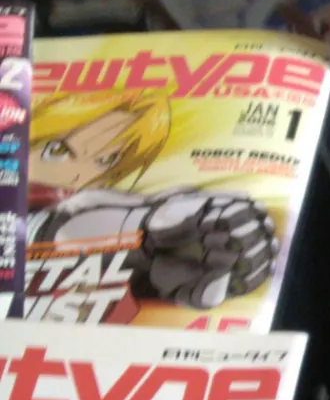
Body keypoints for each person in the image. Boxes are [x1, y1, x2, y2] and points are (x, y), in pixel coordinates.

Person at [26, 91, 279, 313]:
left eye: (106, 161)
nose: (79, 174)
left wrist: (166, 215)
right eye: (57, 150)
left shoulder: (83, 201)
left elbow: (92, 212)